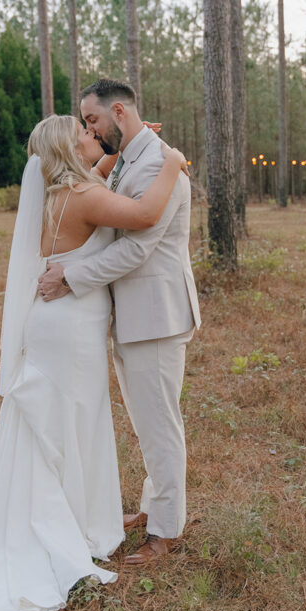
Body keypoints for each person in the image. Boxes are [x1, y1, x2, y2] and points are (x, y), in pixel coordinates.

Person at [0, 114, 187, 611]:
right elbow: (146, 211)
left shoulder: (64, 192)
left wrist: (130, 144)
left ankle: (76, 517)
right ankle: (63, 525)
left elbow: (102, 166)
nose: (96, 139)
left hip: (63, 325)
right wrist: (172, 161)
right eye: (87, 136)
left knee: (64, 421)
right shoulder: (85, 198)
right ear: (71, 150)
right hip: (69, 329)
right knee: (68, 420)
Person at [39, 79, 201, 565]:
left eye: (91, 120)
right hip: (134, 316)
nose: (88, 129)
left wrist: (71, 276)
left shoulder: (155, 161)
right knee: (147, 420)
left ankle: (166, 531)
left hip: (155, 315)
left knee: (160, 424)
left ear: (117, 112)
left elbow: (137, 247)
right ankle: (154, 509)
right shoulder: (132, 155)